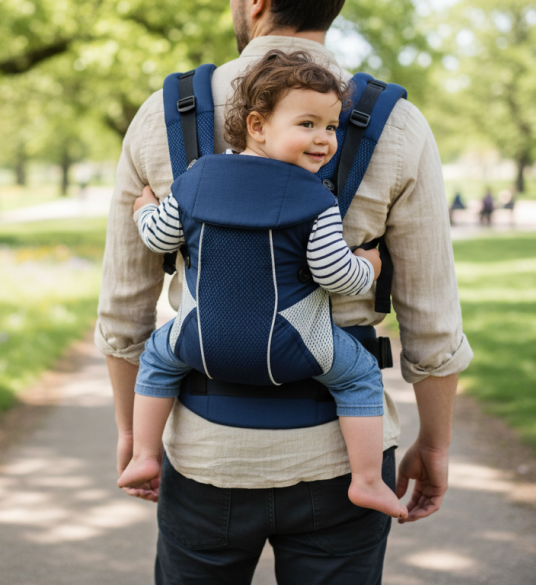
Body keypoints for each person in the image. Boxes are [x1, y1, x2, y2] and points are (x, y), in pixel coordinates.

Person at [96, 1, 472, 582]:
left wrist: (132, 434)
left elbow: (124, 310)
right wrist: (437, 445)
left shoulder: (164, 115)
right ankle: (372, 479)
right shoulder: (396, 123)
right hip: (339, 463)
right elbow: (433, 319)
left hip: (204, 454)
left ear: (255, 3)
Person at [118, 51, 407, 521]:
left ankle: (145, 455)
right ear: (257, 125)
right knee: (358, 375)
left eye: (332, 127)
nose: (324, 140)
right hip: (296, 347)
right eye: (308, 124)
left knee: (157, 357)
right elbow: (337, 277)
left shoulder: (194, 180)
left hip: (199, 344)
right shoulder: (317, 200)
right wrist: (369, 265)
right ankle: (368, 480)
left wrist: (142, 209)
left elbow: (158, 236)